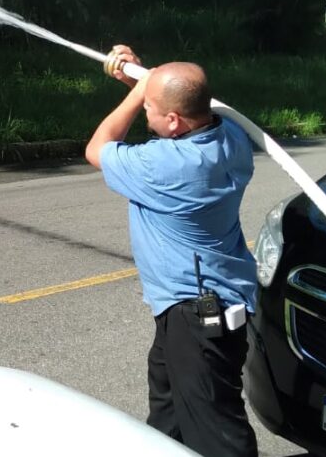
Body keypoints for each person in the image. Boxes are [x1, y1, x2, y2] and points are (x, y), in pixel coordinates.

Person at [85, 44, 258, 457]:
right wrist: (137, 80)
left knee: (217, 434)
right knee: (167, 417)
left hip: (196, 317)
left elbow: (98, 148)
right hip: (200, 308)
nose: (145, 113)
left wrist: (134, 92)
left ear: (175, 120)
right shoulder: (230, 137)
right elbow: (172, 117)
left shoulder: (171, 167)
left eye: (149, 107)